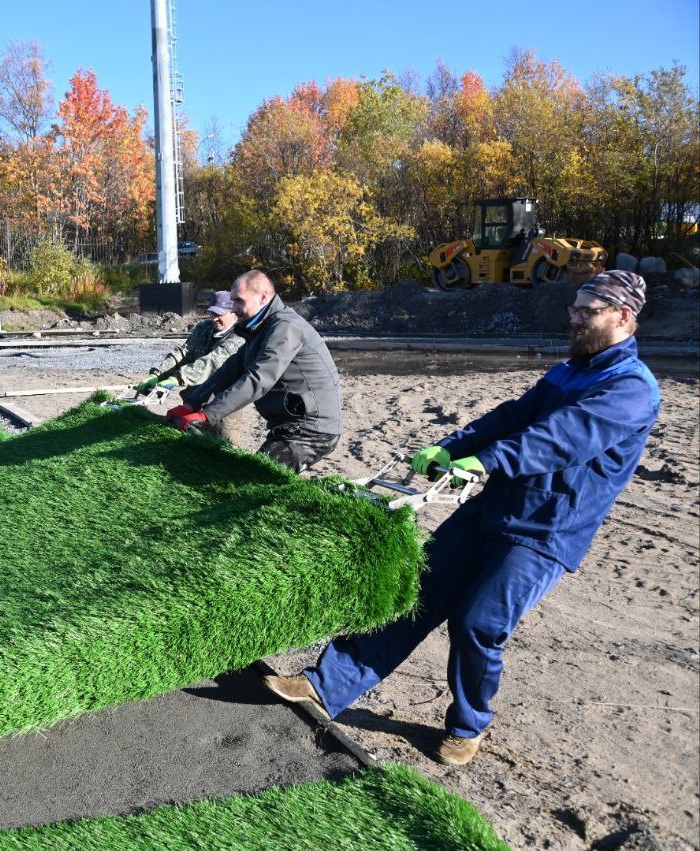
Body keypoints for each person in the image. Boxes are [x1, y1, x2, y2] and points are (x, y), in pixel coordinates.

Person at [265, 270, 660, 766]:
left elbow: (562, 437)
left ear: (623, 316)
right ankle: (326, 684)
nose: (575, 318)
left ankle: (468, 726)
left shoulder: (630, 388)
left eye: (587, 311)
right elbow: (511, 417)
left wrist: (488, 461)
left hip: (546, 531)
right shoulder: (569, 370)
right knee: (416, 591)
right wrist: (453, 446)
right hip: (495, 509)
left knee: (478, 622)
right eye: (574, 309)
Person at [165, 270, 341, 473]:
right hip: (286, 425)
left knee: (254, 477)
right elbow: (230, 370)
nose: (234, 308)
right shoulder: (260, 328)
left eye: (239, 301)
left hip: (311, 429)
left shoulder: (285, 328)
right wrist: (191, 403)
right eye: (232, 302)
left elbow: (258, 378)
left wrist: (207, 415)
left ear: (263, 297)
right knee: (255, 476)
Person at [135, 291, 242, 396]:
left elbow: (211, 362)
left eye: (220, 314)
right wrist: (157, 374)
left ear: (234, 313)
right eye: (212, 313)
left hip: (225, 397)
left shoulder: (240, 335)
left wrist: (176, 379)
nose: (215, 318)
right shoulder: (204, 327)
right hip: (198, 392)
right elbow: (184, 352)